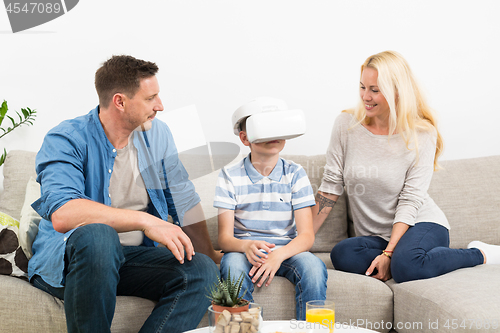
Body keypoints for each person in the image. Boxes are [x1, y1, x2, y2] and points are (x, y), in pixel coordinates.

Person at [28, 55, 221, 333]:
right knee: (98, 235)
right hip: (74, 262)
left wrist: (210, 254)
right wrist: (147, 221)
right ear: (120, 101)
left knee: (201, 269)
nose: (160, 106)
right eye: (151, 98)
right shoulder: (66, 138)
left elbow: (183, 198)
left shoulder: (158, 134)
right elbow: (63, 213)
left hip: (131, 258)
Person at [312, 50, 500, 283]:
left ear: (397, 92)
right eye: (362, 87)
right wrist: (301, 239)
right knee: (343, 254)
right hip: (377, 237)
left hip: (420, 224)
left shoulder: (421, 133)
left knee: (407, 267)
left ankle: (479, 254)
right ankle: (405, 259)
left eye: (375, 90)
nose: (365, 97)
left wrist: (389, 254)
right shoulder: (346, 126)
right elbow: (330, 188)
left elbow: (410, 200)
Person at [214, 97, 327, 320]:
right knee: (232, 268)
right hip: (243, 250)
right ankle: (244, 326)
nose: (272, 135)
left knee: (314, 268)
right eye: (264, 128)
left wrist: (279, 255)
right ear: (245, 138)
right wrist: (246, 245)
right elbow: (224, 239)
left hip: (287, 249)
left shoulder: (295, 173)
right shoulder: (229, 175)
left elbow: (306, 235)